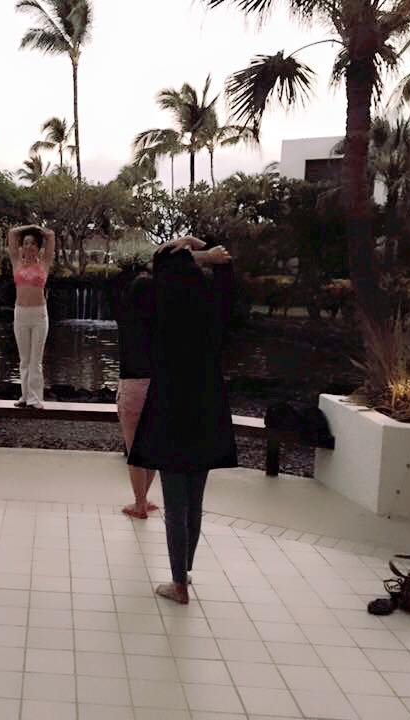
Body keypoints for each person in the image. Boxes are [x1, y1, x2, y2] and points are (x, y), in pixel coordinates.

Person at [128, 237, 235, 605]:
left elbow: (161, 261)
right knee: (194, 500)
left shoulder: (163, 308)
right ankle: (184, 571)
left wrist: (190, 249)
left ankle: (178, 585)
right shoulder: (214, 309)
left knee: (175, 504)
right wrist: (209, 254)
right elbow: (224, 269)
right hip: (207, 406)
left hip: (171, 407)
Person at [116, 271, 160, 520]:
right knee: (152, 448)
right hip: (156, 387)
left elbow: (114, 284)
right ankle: (143, 499)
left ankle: (139, 504)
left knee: (134, 451)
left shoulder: (125, 320)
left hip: (132, 386)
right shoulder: (161, 324)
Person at [7, 224, 55, 409]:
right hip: (21, 313)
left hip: (39, 315)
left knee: (36, 360)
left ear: (38, 247)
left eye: (33, 243)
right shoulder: (17, 262)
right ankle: (24, 396)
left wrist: (39, 230)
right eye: (26, 243)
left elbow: (51, 235)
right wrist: (30, 227)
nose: (29, 247)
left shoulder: (44, 263)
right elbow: (12, 233)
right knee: (24, 360)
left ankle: (35, 399)